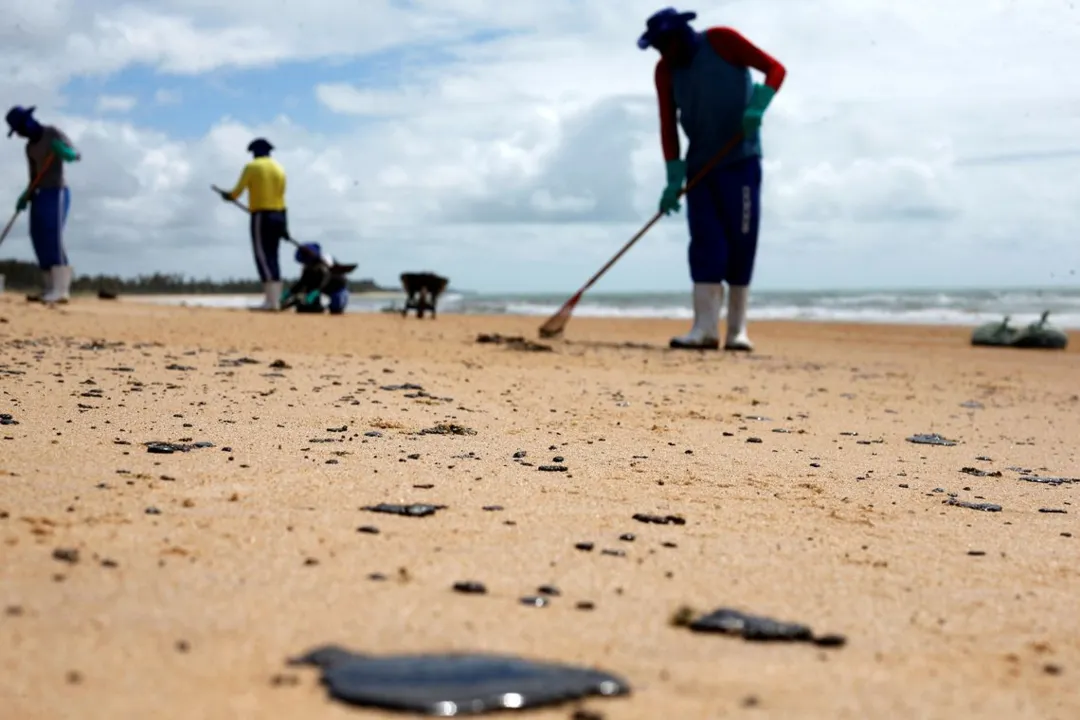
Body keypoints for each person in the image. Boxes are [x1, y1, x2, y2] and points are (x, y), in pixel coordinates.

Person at [638, 8, 786, 351]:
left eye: (664, 44)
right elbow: (667, 124)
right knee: (706, 245)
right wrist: (673, 177)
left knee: (741, 243)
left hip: (741, 160)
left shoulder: (722, 40)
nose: (662, 53)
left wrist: (758, 106)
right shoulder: (664, 71)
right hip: (700, 169)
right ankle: (703, 328)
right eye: (657, 48)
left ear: (681, 34)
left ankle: (737, 331)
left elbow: (776, 70)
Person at [5, 105, 81, 304]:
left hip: (57, 191)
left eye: (20, 129)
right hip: (40, 192)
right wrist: (26, 196)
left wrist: (64, 151)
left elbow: (75, 154)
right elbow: (33, 176)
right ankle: (49, 287)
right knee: (37, 235)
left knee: (52, 235)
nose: (20, 134)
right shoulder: (29, 148)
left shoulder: (52, 133)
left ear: (28, 122)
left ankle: (61, 290)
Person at [219, 138, 288, 311]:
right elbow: (282, 197)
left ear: (255, 152)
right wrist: (285, 226)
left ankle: (270, 302)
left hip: (261, 215)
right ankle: (275, 301)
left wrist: (229, 197)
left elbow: (237, 192)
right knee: (273, 256)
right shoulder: (279, 168)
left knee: (262, 256)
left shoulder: (252, 167)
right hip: (280, 215)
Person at [280, 242, 350, 315]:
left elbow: (324, 280)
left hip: (336, 288)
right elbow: (302, 282)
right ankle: (315, 306)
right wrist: (289, 292)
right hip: (317, 289)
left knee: (336, 309)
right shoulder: (308, 269)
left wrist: (315, 292)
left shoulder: (325, 266)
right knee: (306, 308)